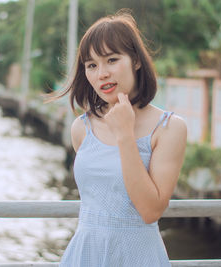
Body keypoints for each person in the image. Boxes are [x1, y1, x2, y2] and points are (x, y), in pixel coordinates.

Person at [55, 9, 187, 267]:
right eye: (91, 65)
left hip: (138, 256)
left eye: (112, 60)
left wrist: (125, 135)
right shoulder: (82, 128)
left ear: (136, 60)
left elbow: (150, 211)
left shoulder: (169, 128)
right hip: (85, 255)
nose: (101, 73)